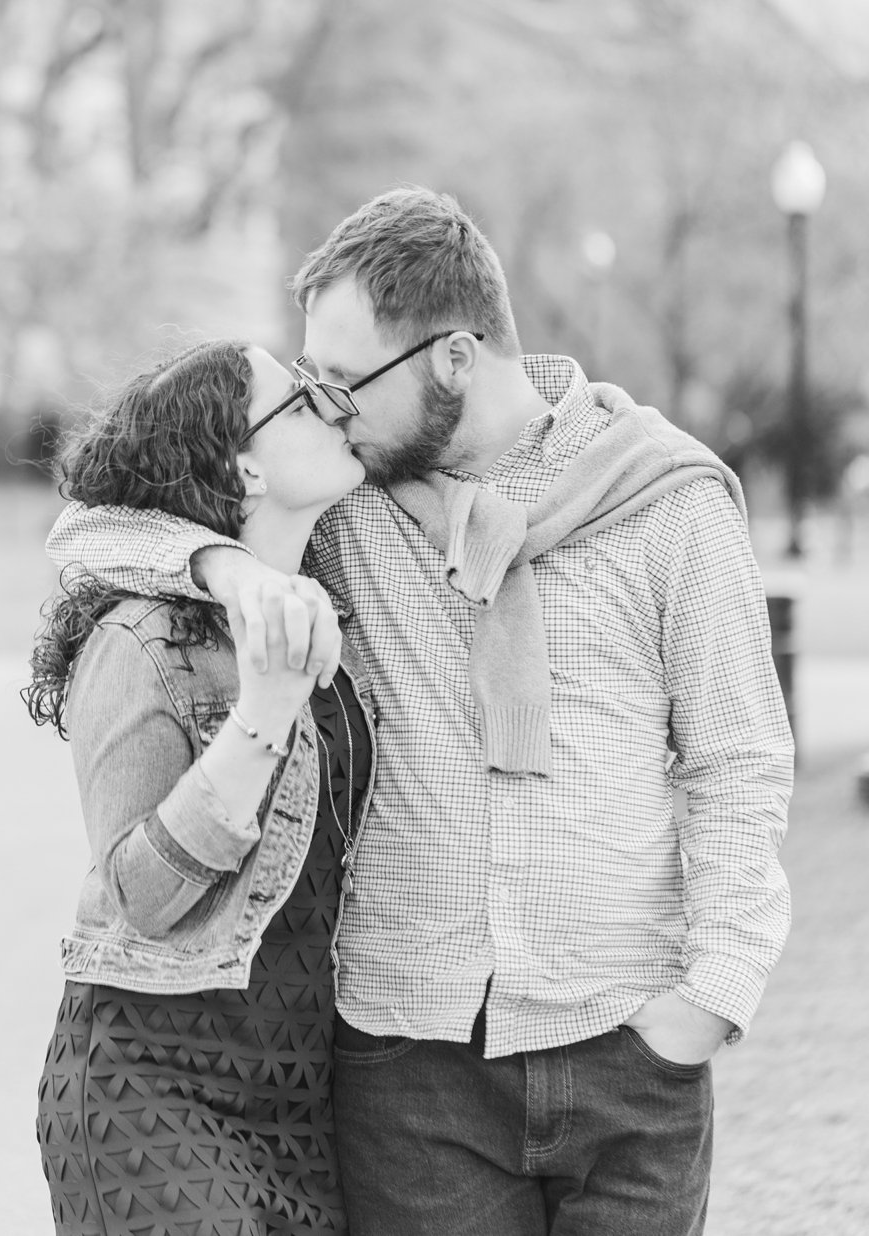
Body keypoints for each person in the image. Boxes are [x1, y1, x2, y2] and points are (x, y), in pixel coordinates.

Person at [46, 189, 794, 1236]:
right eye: (313, 386)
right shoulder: (345, 502)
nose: (329, 408)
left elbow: (738, 760)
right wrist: (224, 569)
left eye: (346, 382)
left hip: (627, 1050)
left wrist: (710, 997)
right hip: (411, 1065)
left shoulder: (668, 500)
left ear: (451, 358)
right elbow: (93, 528)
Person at [25, 337, 375, 1236]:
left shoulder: (331, 599)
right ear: (244, 468)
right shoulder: (138, 640)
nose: (330, 407)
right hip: (149, 1085)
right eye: (298, 404)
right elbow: (140, 891)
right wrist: (260, 715)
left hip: (300, 1096)